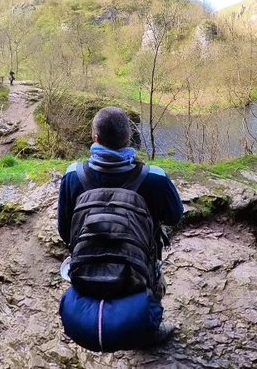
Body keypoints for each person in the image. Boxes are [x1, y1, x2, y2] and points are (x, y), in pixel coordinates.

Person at [57, 107, 183, 351]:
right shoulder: (155, 178)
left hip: (86, 271)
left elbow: (65, 232)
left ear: (95, 138)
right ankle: (147, 327)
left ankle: (91, 307)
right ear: (129, 139)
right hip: (139, 272)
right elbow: (175, 216)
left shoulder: (73, 176)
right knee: (154, 264)